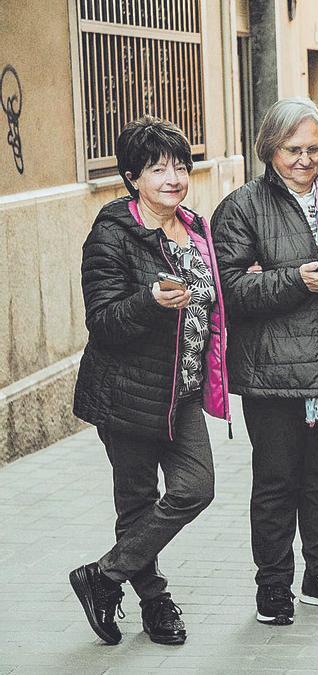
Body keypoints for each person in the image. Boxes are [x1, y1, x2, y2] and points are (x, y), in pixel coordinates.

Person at [70, 116, 229, 646]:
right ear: (133, 175)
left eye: (181, 166)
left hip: (180, 392)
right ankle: (155, 601)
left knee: (194, 488)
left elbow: (212, 301)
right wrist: (148, 302)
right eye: (158, 168)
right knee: (137, 500)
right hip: (126, 391)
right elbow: (103, 321)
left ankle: (103, 576)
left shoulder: (197, 227)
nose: (173, 177)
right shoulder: (113, 232)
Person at [213, 97, 318, 626]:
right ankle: (272, 584)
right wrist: (295, 280)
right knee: (277, 480)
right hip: (271, 369)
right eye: (291, 149)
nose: (304, 159)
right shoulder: (241, 207)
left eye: (313, 148)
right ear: (269, 150)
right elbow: (229, 289)